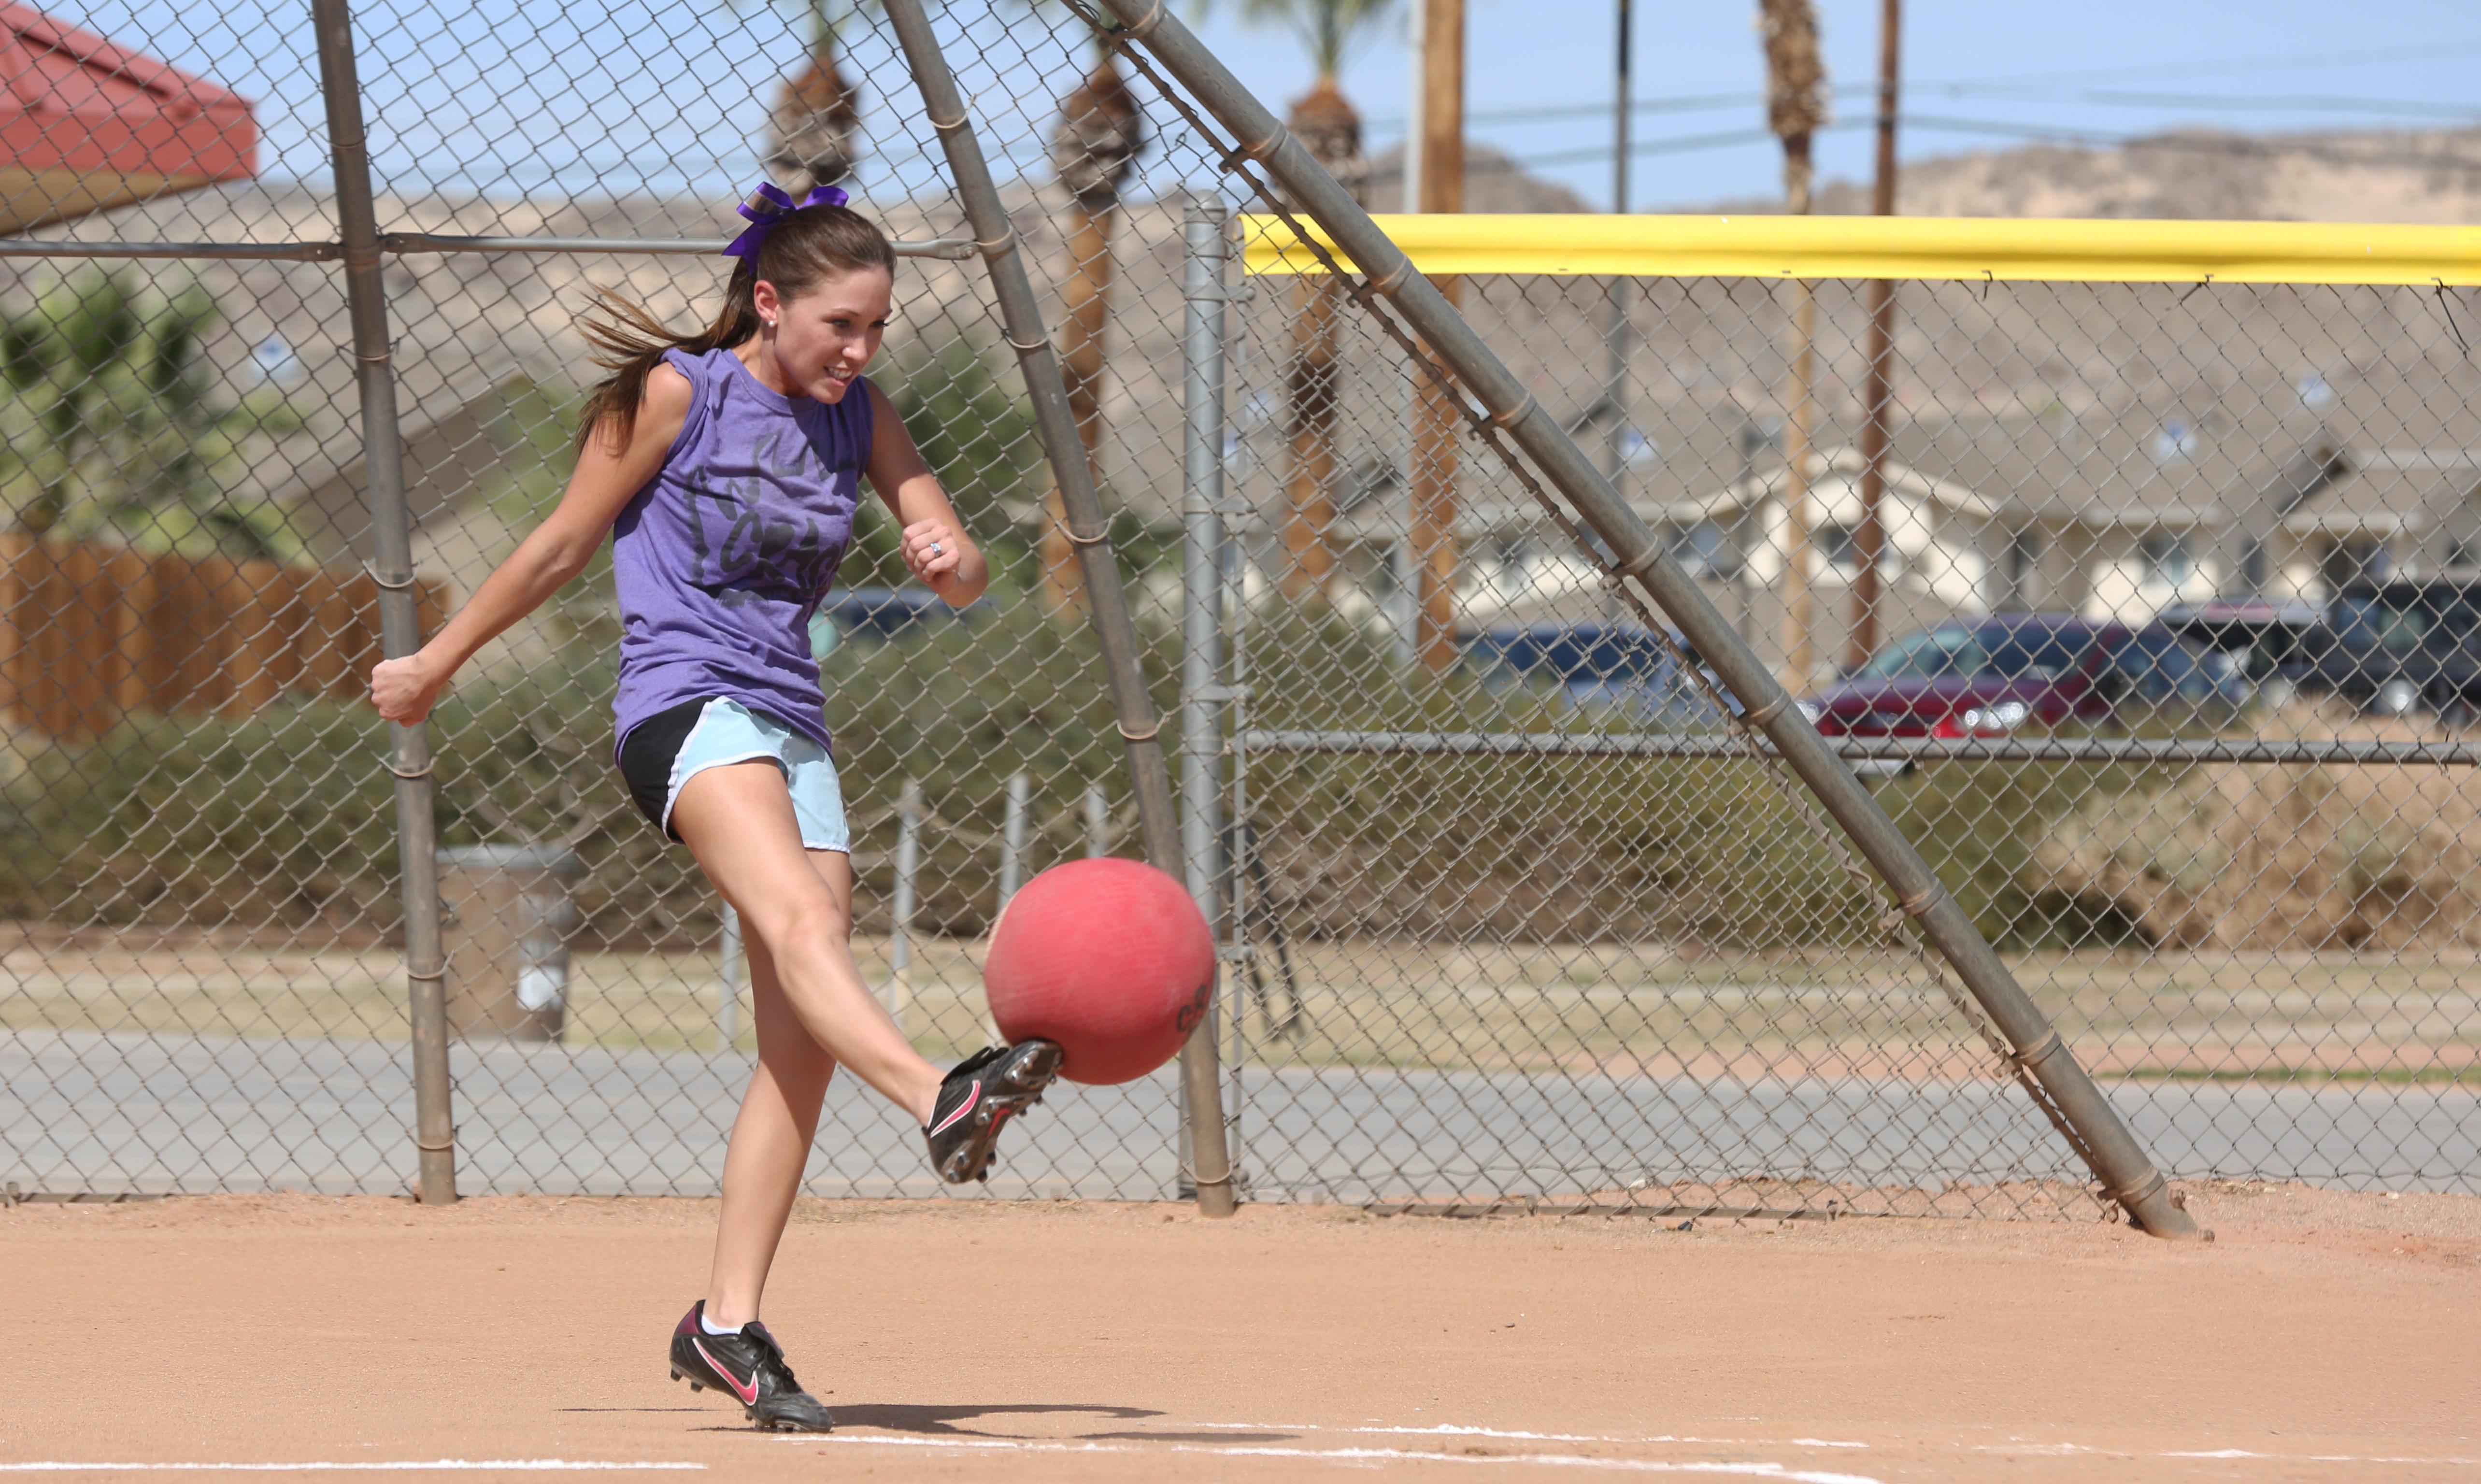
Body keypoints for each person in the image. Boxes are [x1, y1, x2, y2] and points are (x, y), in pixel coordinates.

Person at [368, 183, 1063, 1434]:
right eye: (840, 323)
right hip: (685, 708)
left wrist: (958, 563)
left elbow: (953, 556)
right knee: (802, 919)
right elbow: (556, 549)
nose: (860, 349)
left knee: (801, 1034)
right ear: (770, 300)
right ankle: (939, 1096)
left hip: (794, 721)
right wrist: (435, 663)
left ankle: (726, 1325)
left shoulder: (865, 419)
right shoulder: (679, 394)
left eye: (878, 328)